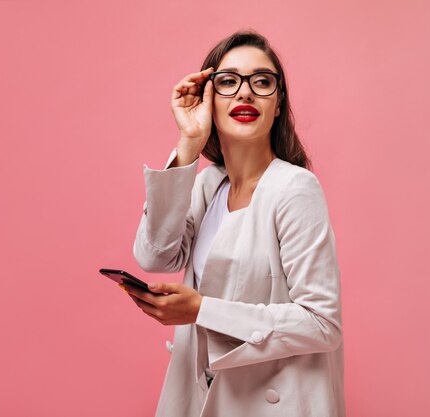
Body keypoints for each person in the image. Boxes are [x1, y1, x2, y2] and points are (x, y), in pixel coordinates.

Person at [120, 30, 345, 417]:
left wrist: (201, 310)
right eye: (228, 81)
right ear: (209, 97)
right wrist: (189, 140)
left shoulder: (295, 188)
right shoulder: (209, 184)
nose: (245, 93)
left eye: (262, 81)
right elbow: (154, 254)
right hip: (204, 397)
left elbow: (322, 323)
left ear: (278, 105)